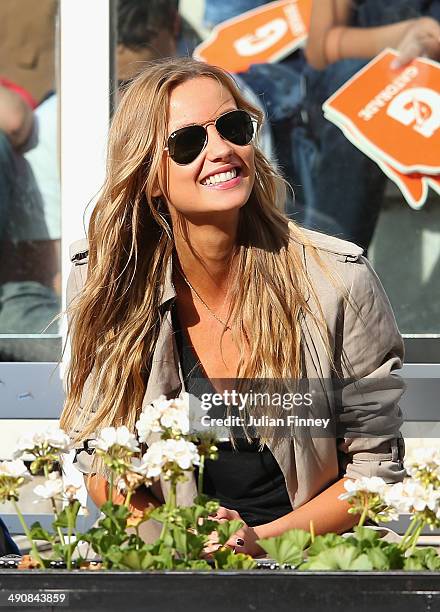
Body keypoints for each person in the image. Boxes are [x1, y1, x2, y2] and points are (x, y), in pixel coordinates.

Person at [60, 57, 405, 557]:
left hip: (311, 559)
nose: (221, 150)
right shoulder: (110, 283)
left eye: (233, 127)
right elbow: (99, 455)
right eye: (187, 143)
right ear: (148, 175)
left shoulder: (336, 279)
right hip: (168, 560)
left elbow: (374, 472)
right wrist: (174, 537)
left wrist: (257, 543)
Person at [297, 0, 440, 251]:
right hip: (352, 81)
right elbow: (318, 51)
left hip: (423, 89)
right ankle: (328, 270)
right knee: (359, 102)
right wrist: (408, 33)